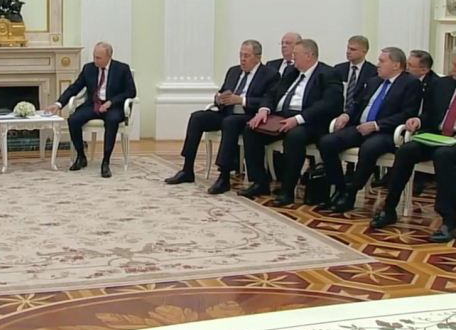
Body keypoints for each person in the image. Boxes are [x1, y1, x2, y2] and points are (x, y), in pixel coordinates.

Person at [164, 40, 279, 194]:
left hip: (248, 116)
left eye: (246, 56)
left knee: (230, 122)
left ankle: (224, 176)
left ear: (258, 57)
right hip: (227, 112)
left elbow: (268, 100)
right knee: (197, 118)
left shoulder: (269, 75)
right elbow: (223, 92)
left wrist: (242, 100)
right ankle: (187, 169)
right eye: (240, 55)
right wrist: (219, 98)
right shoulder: (234, 71)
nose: (242, 59)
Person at [317, 47, 421, 213]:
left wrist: (376, 125)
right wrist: (346, 115)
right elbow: (357, 104)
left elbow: (407, 113)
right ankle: (339, 187)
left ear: (396, 65)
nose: (378, 64)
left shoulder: (410, 83)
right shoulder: (374, 81)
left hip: (385, 132)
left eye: (382, 61)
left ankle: (351, 193)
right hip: (360, 127)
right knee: (327, 142)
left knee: (369, 148)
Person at [241, 39, 343, 206]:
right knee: (251, 129)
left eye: (296, 54)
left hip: (308, 121)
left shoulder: (328, 74)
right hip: (280, 117)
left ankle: (287, 191)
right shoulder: (291, 71)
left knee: (294, 137)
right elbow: (271, 93)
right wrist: (263, 110)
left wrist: (297, 119)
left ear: (309, 55)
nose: (292, 57)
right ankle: (259, 182)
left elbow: (329, 104)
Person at [370, 53, 456, 242]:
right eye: (454, 64)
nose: (452, 70)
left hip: (452, 144)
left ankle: (449, 220)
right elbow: (429, 113)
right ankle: (389, 208)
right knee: (406, 150)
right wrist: (418, 120)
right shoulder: (443, 85)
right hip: (436, 135)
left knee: (443, 155)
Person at [45, 42, 136, 178]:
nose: (95, 60)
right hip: (93, 105)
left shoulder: (122, 69)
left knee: (112, 121)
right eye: (94, 57)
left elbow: (131, 92)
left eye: (99, 58)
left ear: (109, 56)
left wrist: (111, 102)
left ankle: (105, 162)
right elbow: (75, 88)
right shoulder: (89, 68)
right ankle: (81, 156)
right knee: (73, 120)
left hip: (113, 107)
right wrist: (59, 104)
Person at [406, 49, 439, 195]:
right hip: (409, 122)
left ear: (424, 69)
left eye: (410, 65)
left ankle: (420, 179)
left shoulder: (436, 84)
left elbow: (433, 113)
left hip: (428, 125)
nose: (407, 68)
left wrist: (418, 121)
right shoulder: (406, 81)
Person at [333, 35, 377, 114]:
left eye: (353, 49)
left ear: (364, 51)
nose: (348, 52)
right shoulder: (338, 69)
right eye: (348, 48)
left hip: (358, 114)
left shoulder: (373, 72)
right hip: (337, 112)